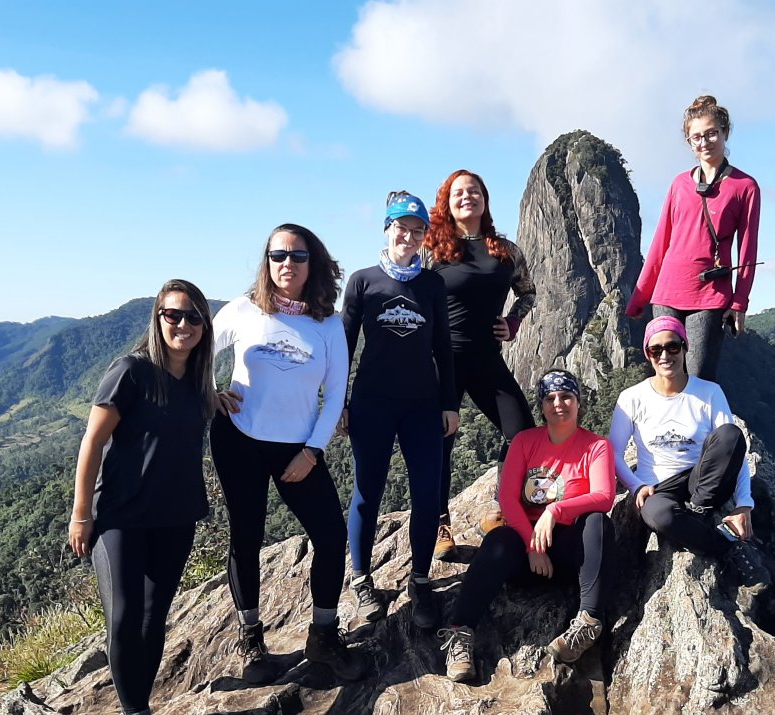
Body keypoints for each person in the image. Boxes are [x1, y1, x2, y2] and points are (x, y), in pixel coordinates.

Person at [69, 278, 217, 715]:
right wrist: (81, 514)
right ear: (157, 319)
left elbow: (191, 418)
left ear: (205, 326)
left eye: (194, 317)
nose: (183, 325)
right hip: (119, 518)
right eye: (173, 315)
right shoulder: (130, 372)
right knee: (123, 616)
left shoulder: (197, 382)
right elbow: (92, 442)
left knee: (154, 618)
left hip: (175, 518)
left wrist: (220, 399)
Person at [211, 223, 367, 682]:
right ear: (267, 262)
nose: (287, 264)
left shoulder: (328, 325)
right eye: (278, 255)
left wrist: (312, 452)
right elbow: (195, 352)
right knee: (246, 537)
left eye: (298, 256)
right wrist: (208, 394)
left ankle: (323, 637)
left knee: (331, 537)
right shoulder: (244, 309)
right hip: (238, 438)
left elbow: (335, 395)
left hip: (298, 448)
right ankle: (251, 642)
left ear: (312, 263)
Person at [437, 369, 616, 683]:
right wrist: (533, 545)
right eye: (550, 398)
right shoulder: (525, 441)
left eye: (566, 396)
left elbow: (604, 496)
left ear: (578, 401)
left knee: (598, 523)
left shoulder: (596, 446)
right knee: (498, 540)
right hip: (526, 553)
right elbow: (508, 499)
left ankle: (589, 621)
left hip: (570, 554)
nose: (558, 404)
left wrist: (555, 510)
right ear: (542, 406)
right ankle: (460, 632)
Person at [342, 191, 460, 629]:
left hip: (422, 405)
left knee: (427, 494)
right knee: (367, 492)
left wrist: (450, 404)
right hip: (371, 402)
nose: (408, 237)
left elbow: (443, 347)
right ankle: (361, 580)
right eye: (401, 228)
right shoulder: (362, 281)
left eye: (417, 231)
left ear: (425, 235)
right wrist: (338, 405)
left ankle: (421, 580)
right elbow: (343, 347)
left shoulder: (431, 284)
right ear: (387, 229)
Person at [423, 169, 538, 559]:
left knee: (522, 433)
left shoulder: (505, 250)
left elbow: (528, 291)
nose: (467, 197)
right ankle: (439, 523)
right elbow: (412, 295)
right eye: (458, 192)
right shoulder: (433, 249)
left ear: (485, 200)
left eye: (474, 191)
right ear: (447, 201)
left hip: (487, 357)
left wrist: (514, 321)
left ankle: (501, 510)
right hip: (443, 361)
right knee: (440, 442)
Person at [625, 95, 761, 381]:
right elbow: (661, 243)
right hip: (667, 293)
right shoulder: (679, 184)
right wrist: (640, 296)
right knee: (667, 377)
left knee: (699, 380)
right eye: (696, 137)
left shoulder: (745, 187)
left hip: (710, 296)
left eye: (711, 133)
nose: (704, 142)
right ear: (689, 142)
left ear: (725, 132)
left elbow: (748, 251)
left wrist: (739, 303)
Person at [608, 316, 753, 559]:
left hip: (703, 481)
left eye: (672, 346)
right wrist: (636, 486)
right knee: (660, 516)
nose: (665, 355)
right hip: (657, 488)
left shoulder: (709, 392)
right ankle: (723, 545)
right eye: (656, 350)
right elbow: (613, 453)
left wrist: (744, 504)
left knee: (730, 433)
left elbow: (732, 450)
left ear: (685, 347)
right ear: (648, 355)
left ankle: (696, 515)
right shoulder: (632, 398)